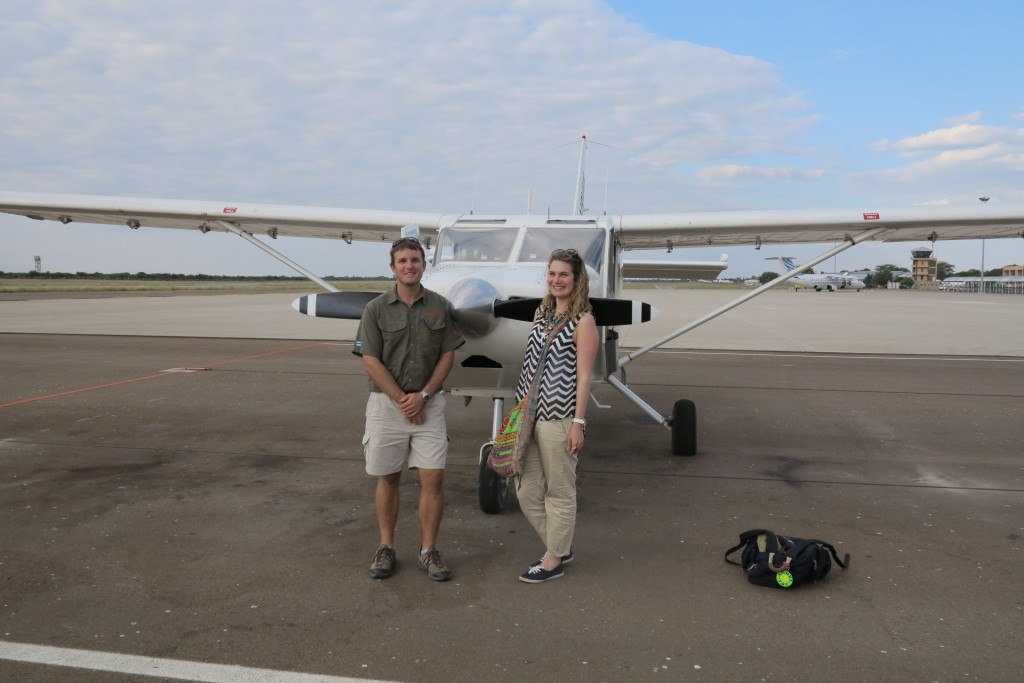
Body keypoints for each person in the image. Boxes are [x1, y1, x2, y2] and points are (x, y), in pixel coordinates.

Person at [353, 236, 464, 581]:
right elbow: (370, 360)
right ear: (393, 267)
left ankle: (428, 550)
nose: (409, 266)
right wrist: (405, 399)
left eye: (415, 260)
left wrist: (425, 396)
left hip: (428, 405)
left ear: (423, 265)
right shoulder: (375, 309)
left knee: (433, 477)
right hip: (387, 406)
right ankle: (386, 548)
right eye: (402, 261)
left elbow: (448, 354)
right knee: (388, 477)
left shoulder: (441, 306)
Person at [514, 248, 599, 583]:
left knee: (560, 491)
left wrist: (579, 423)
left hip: (559, 416)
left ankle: (553, 560)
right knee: (526, 490)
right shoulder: (542, 313)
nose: (556, 280)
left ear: (577, 280)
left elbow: (583, 376)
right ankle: (560, 546)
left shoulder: (585, 321)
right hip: (530, 416)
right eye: (552, 273)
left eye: (564, 274)